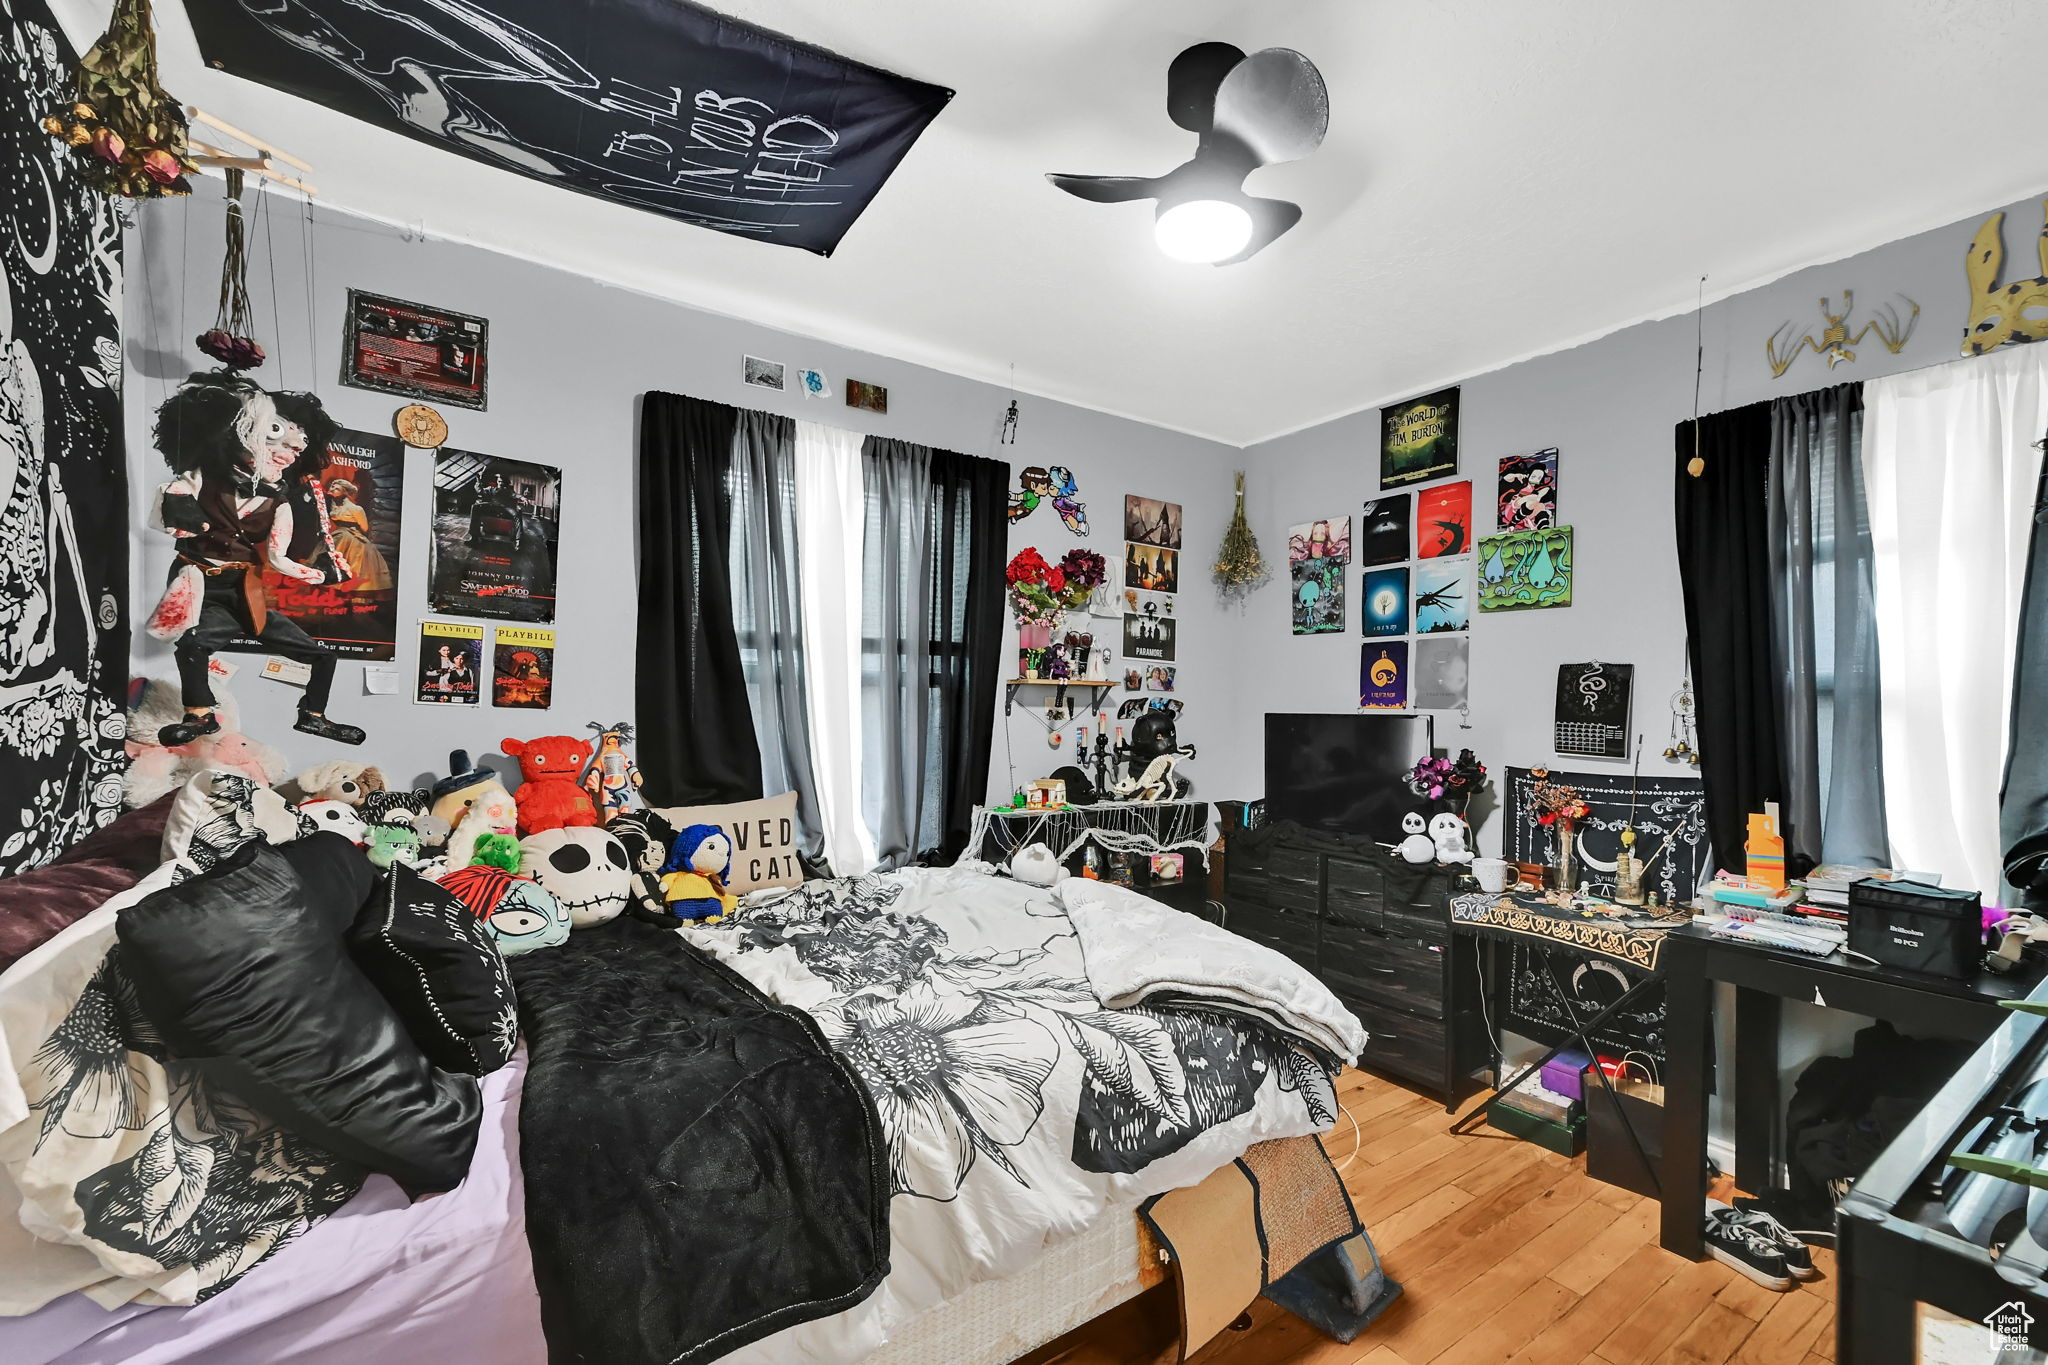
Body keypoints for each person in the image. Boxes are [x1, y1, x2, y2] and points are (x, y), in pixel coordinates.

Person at [147, 373, 363, 746]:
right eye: (276, 436)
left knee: (323, 657)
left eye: (297, 447)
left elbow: (277, 558)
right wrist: (178, 505)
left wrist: (319, 576)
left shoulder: (280, 502)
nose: (289, 451)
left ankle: (314, 716)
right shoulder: (202, 479)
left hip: (246, 590)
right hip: (202, 584)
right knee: (193, 645)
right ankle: (199, 715)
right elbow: (171, 505)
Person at [325, 478, 394, 591]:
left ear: (345, 492)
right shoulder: (332, 506)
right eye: (332, 487)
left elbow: (364, 527)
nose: (332, 489)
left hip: (353, 538)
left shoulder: (356, 509)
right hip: (336, 535)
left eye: (337, 488)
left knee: (354, 566)